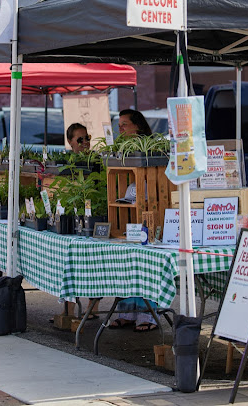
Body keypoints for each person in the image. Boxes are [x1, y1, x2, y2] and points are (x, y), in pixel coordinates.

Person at [108, 109, 158, 332]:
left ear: (137, 126)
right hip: (131, 213)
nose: (121, 130)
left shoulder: (153, 147)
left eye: (124, 125)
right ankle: (127, 313)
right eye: (119, 126)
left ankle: (148, 316)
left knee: (146, 266)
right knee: (128, 265)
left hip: (152, 211)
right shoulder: (121, 149)